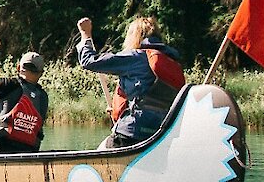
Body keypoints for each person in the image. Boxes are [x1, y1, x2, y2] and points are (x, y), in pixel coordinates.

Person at [77, 15, 185, 148]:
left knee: (102, 148)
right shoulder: (171, 61)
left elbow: (88, 61)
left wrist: (85, 35)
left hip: (133, 132)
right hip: (161, 134)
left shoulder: (136, 56)